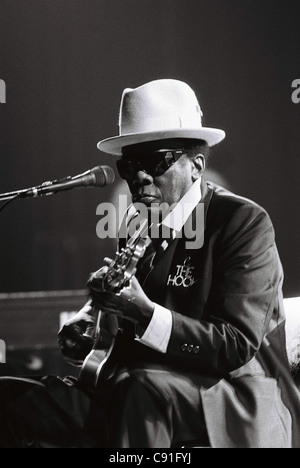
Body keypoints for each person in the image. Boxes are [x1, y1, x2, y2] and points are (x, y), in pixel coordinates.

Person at [0, 78, 299, 448]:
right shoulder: (137, 223)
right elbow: (128, 328)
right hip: (135, 387)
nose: (140, 178)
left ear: (196, 165)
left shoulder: (242, 222)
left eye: (156, 162)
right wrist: (94, 320)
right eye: (130, 165)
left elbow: (234, 345)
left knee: (138, 389)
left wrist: (143, 313)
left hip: (227, 398)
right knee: (12, 402)